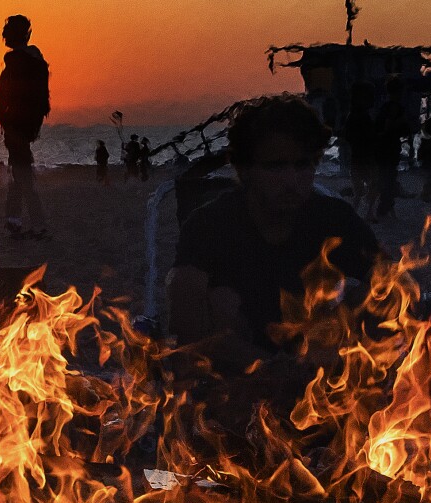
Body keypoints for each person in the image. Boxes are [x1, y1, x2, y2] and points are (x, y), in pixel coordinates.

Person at [166, 94, 382, 374]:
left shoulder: (333, 218)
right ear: (244, 170)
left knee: (374, 294)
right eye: (275, 167)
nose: (291, 181)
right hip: (238, 368)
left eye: (302, 165)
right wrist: (268, 367)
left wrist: (342, 318)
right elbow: (186, 323)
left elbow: (392, 282)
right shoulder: (211, 224)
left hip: (314, 358)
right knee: (216, 299)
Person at [0, 14, 50, 241]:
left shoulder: (18, 62)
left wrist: (6, 118)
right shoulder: (35, 61)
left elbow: (8, 96)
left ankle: (36, 225)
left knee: (22, 173)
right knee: (19, 171)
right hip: (24, 125)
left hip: (17, 125)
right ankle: (15, 221)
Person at [371, 74, 411, 222]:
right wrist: (401, 121)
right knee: (388, 179)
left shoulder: (384, 107)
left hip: (384, 148)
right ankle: (383, 209)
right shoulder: (394, 107)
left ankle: (385, 208)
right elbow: (388, 127)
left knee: (386, 178)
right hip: (387, 148)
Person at [343, 81, 378, 217]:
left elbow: (348, 137)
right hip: (365, 157)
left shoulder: (353, 115)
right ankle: (367, 211)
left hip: (357, 156)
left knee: (359, 190)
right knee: (372, 185)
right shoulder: (361, 116)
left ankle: (358, 212)